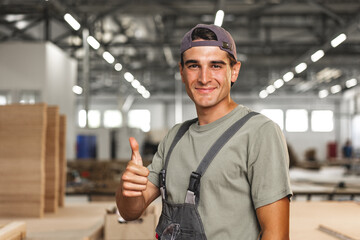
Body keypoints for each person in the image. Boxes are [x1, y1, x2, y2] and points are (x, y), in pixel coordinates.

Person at [116, 23, 292, 240]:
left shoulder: (259, 132)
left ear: (234, 71)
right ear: (182, 72)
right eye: (193, 66)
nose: (204, 78)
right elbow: (130, 211)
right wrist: (128, 189)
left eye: (216, 66)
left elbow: (276, 234)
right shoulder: (174, 137)